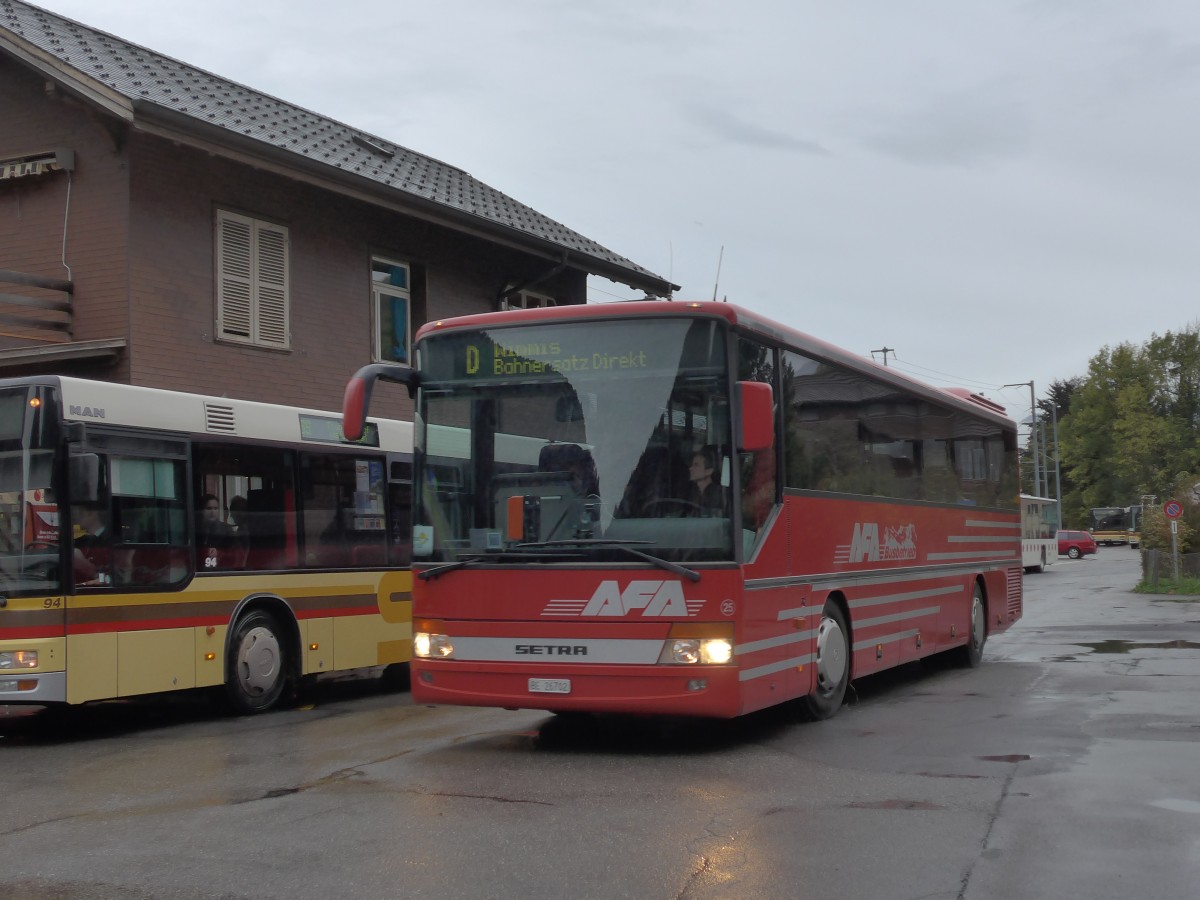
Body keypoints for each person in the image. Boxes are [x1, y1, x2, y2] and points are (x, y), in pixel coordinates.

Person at [197, 493, 234, 569]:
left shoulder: (226, 529)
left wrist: (219, 553)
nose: (213, 512)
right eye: (209, 508)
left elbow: (234, 554)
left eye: (215, 508)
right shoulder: (195, 529)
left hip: (221, 571)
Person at [687, 446, 727, 516]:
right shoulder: (694, 493)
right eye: (692, 465)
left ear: (709, 471)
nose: (691, 468)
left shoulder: (717, 494)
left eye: (696, 465)